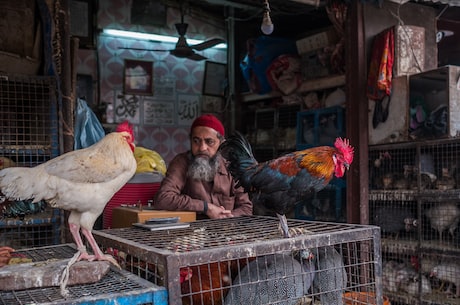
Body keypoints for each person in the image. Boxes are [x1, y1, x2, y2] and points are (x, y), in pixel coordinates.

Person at [154, 114, 253, 219]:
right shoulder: (181, 162)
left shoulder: (232, 167)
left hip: (226, 230)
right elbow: (163, 198)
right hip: (191, 233)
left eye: (209, 142)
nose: (202, 148)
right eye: (196, 141)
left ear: (221, 143)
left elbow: (246, 208)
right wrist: (206, 207)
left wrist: (227, 216)